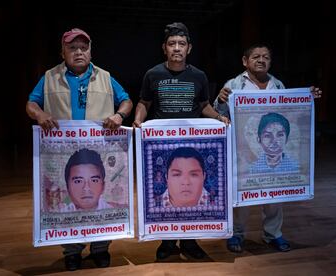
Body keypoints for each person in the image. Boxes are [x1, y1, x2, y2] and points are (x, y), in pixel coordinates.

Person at [26, 28, 133, 271]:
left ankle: (100, 248)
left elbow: (126, 100)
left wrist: (119, 115)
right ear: (62, 52)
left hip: (99, 152)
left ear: (90, 51)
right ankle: (71, 250)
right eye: (72, 48)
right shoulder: (49, 77)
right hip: (63, 154)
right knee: (68, 199)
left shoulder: (105, 77)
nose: (78, 52)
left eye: (83, 48)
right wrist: (40, 114)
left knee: (99, 198)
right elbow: (31, 103)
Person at [133, 22, 229, 261]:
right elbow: (144, 103)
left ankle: (189, 241)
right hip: (162, 147)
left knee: (190, 196)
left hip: (192, 144)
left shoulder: (199, 76)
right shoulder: (153, 74)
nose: (177, 48)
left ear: (189, 48)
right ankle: (166, 242)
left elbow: (204, 106)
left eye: (182, 44)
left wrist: (219, 118)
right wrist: (137, 120)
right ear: (164, 48)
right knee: (169, 194)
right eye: (172, 44)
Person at [213, 43, 322, 253]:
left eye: (266, 57)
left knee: (275, 194)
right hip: (243, 152)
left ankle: (273, 234)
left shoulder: (278, 85)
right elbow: (220, 113)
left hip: (275, 154)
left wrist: (306, 96)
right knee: (242, 197)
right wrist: (220, 99)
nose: (261, 60)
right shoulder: (235, 84)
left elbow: (289, 109)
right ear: (245, 61)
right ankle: (236, 234)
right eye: (256, 56)